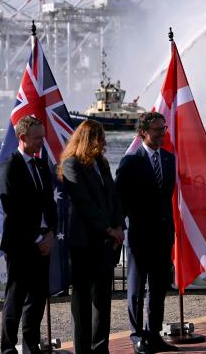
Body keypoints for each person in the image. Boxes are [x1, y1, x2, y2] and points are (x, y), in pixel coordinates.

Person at [59, 120, 125, 354]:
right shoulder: (72, 165)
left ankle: (101, 347)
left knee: (103, 300)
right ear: (89, 139)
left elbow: (114, 197)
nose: (104, 142)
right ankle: (83, 349)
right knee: (82, 301)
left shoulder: (102, 163)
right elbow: (84, 202)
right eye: (100, 137)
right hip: (83, 242)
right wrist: (107, 229)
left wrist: (119, 225)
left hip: (105, 243)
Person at [116, 112, 178, 353]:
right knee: (136, 289)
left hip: (163, 235)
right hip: (140, 236)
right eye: (157, 130)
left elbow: (166, 198)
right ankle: (137, 337)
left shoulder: (168, 159)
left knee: (158, 289)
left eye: (163, 129)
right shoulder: (130, 161)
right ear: (143, 132)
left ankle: (154, 334)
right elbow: (120, 200)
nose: (162, 133)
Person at [0, 117, 57, 354]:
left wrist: (50, 233)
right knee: (15, 298)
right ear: (22, 138)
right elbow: (12, 208)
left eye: (43, 136)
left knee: (38, 298)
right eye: (37, 137)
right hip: (21, 244)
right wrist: (36, 238)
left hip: (44, 241)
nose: (42, 141)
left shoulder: (41, 165)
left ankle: (32, 346)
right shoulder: (9, 166)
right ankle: (8, 348)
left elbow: (50, 204)